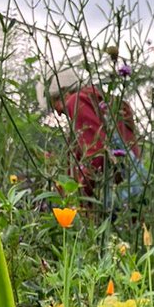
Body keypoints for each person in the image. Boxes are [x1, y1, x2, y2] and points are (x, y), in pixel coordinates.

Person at [47, 66, 147, 211]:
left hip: (120, 193)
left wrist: (81, 193)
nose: (59, 114)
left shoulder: (76, 101)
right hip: (135, 183)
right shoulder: (98, 100)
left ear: (64, 94)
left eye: (55, 105)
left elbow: (97, 153)